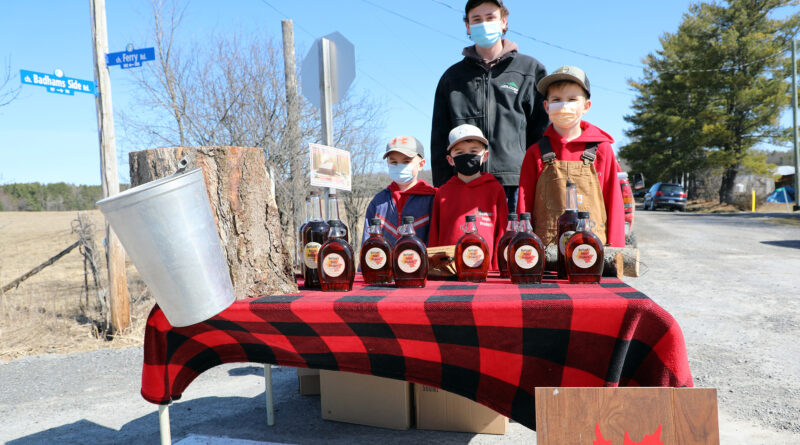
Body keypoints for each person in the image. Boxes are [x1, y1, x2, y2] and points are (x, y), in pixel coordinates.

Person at [430, 0, 549, 212]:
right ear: (467, 26)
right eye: (477, 19)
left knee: (513, 245)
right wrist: (443, 188)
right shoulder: (452, 78)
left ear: (503, 22)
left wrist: (540, 183)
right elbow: (439, 139)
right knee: (468, 245)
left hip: (514, 187)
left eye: (490, 17)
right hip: (465, 184)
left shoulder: (530, 70)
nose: (484, 23)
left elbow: (542, 134)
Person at [517, 65, 625, 247]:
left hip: (591, 256)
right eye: (557, 99)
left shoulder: (601, 150)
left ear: (586, 106)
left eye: (572, 99)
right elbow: (523, 207)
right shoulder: (535, 152)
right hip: (546, 254)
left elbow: (614, 204)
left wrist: (616, 254)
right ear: (546, 106)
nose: (564, 105)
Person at [429, 124, 508, 269]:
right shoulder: (442, 193)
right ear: (450, 159)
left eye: (473, 151)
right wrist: (434, 268)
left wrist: (499, 269)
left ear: (485, 156)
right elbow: (435, 233)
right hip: (449, 271)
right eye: (459, 153)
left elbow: (502, 234)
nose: (467, 155)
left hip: (485, 272)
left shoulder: (495, 189)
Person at [362, 136, 437, 246]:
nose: (399, 167)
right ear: (387, 163)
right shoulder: (379, 202)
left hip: (422, 262)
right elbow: (367, 243)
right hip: (386, 263)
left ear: (421, 164)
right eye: (394, 162)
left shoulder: (432, 198)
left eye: (406, 161)